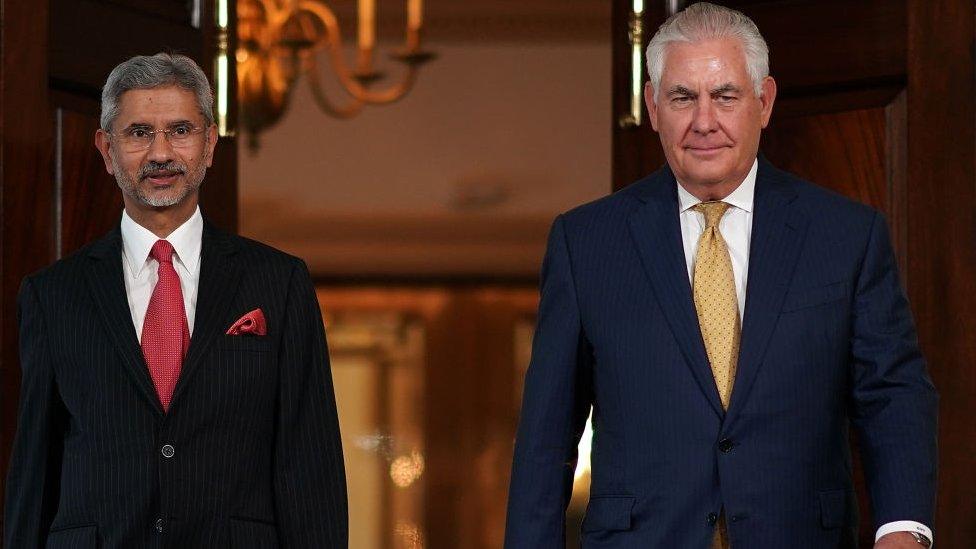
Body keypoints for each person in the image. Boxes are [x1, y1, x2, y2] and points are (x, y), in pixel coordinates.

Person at [505, 3, 936, 548]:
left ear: (764, 102)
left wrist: (903, 529)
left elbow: (893, 395)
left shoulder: (847, 236)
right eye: (683, 97)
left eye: (725, 96)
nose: (704, 121)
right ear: (654, 106)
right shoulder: (585, 242)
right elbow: (547, 433)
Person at [3, 53, 347, 548]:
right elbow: (33, 473)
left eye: (180, 130)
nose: (161, 152)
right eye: (139, 132)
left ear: (209, 145)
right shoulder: (51, 295)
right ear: (106, 149)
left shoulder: (280, 283)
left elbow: (310, 465)